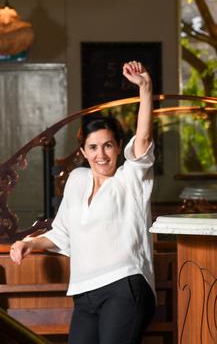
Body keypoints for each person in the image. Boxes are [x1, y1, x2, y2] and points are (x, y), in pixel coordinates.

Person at [9, 61, 156, 344]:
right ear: (83, 152)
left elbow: (145, 138)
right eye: (93, 147)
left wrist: (145, 89)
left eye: (108, 145)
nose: (101, 154)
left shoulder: (131, 177)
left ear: (118, 147)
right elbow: (63, 232)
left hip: (124, 286)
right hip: (84, 293)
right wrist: (30, 242)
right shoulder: (77, 179)